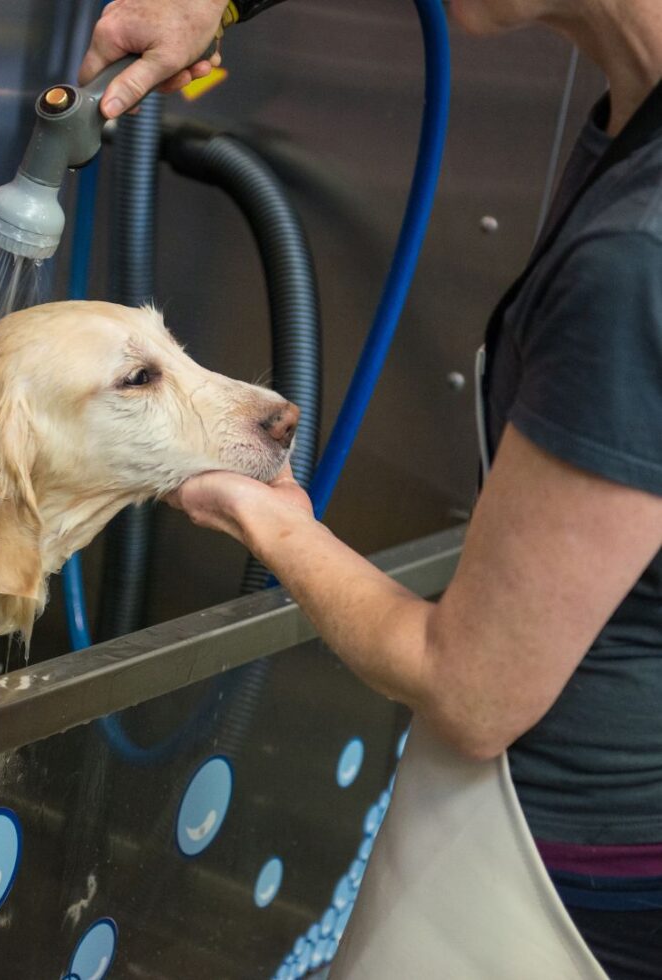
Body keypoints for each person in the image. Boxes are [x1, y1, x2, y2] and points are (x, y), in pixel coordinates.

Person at [82, 1, 662, 977]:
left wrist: (264, 520)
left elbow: (470, 687)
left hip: (563, 874)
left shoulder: (636, 257)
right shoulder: (632, 125)